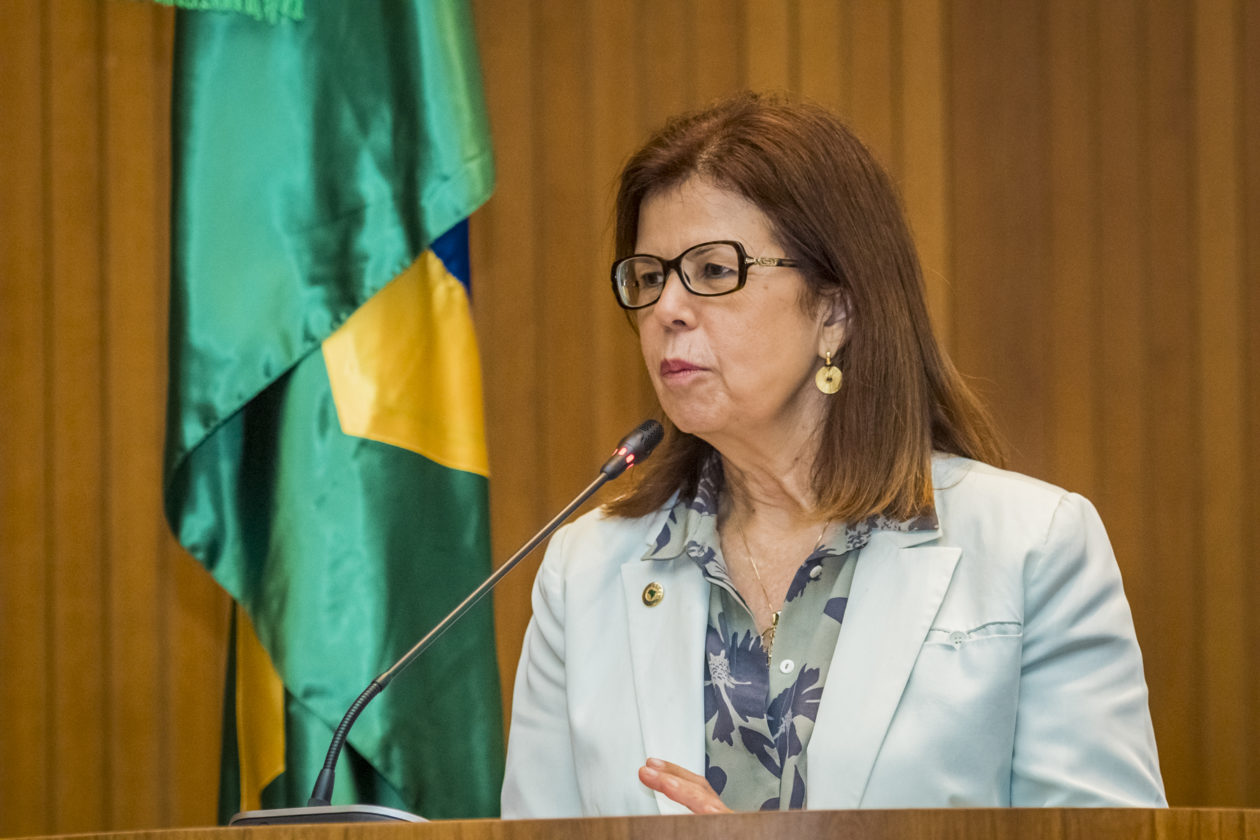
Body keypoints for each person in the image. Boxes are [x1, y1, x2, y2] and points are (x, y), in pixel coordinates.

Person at [500, 92, 1165, 817]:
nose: (666, 309)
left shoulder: (1032, 549)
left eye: (714, 271)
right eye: (650, 277)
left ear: (835, 310)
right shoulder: (584, 572)